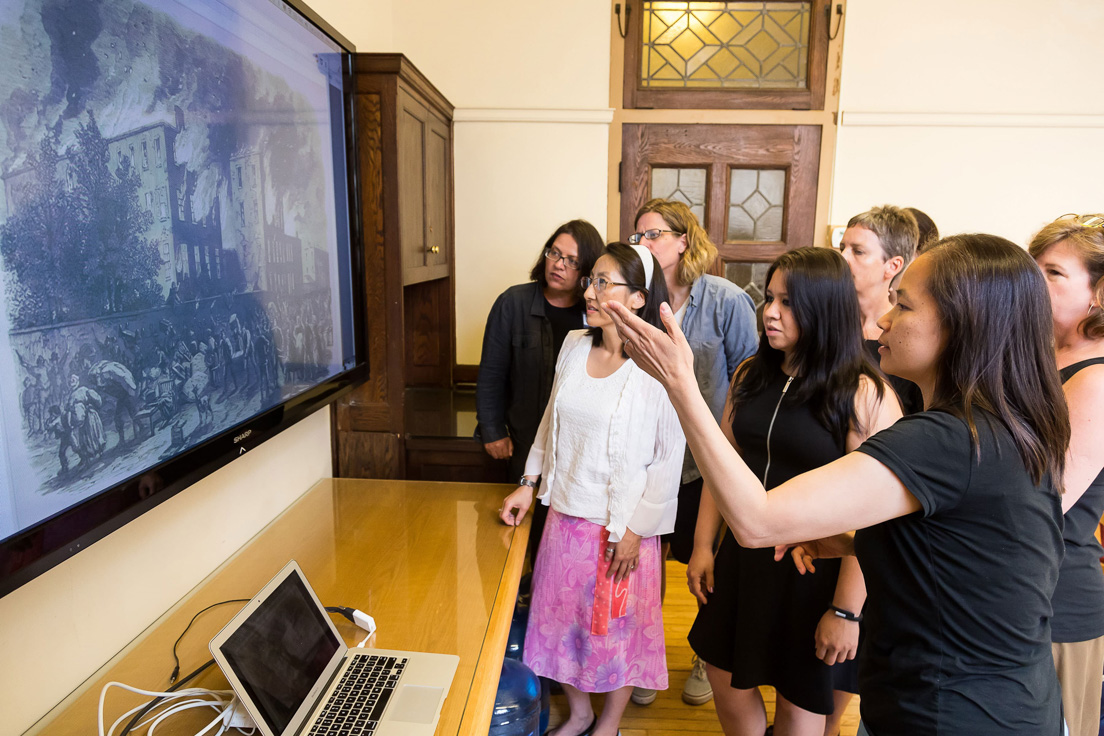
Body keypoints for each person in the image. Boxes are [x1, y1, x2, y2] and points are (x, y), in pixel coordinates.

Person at [608, 234, 1068, 735]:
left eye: (903, 305)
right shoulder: (1005, 427)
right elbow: (961, 555)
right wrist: (852, 541)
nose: (883, 320)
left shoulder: (943, 440)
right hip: (991, 702)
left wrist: (680, 384)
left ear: (962, 326)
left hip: (954, 714)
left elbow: (757, 520)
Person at [685, 248, 900, 736]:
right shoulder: (750, 374)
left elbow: (877, 517)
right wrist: (702, 546)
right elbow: (724, 467)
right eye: (770, 298)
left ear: (824, 310)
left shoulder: (863, 394)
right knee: (721, 671)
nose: (771, 312)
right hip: (744, 556)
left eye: (788, 303)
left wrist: (846, 609)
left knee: (798, 701)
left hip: (816, 569)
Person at [499, 242, 683, 736]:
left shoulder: (659, 367)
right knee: (560, 626)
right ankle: (580, 714)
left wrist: (636, 531)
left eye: (604, 282)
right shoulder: (575, 345)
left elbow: (669, 457)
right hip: (564, 517)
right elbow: (549, 423)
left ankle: (609, 725)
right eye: (591, 280)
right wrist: (527, 482)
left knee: (615, 634)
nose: (590, 291)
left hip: (620, 529)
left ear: (639, 298)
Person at [628, 198, 758, 706]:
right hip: (652, 454)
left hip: (709, 457)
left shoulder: (724, 299)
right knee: (647, 562)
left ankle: (704, 655)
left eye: (654, 234)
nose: (644, 244)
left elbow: (750, 380)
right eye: (638, 237)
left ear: (684, 240)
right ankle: (646, 656)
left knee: (709, 564)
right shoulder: (637, 298)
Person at [477, 219, 603, 562]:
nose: (559, 264)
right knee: (509, 538)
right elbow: (490, 374)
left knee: (559, 541)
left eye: (572, 260)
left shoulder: (594, 315)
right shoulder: (513, 303)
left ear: (587, 271)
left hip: (574, 450)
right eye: (554, 253)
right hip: (519, 441)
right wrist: (492, 431)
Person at [1029, 213, 1104, 736]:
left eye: (1053, 272)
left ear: (1098, 293)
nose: (1035, 280)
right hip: (1011, 587)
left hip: (1057, 603)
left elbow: (1044, 501)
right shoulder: (1039, 358)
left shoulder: (1097, 380)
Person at [838, 205, 923, 415]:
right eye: (842, 248)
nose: (843, 258)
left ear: (893, 266)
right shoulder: (826, 324)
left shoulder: (906, 340)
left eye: (858, 251)